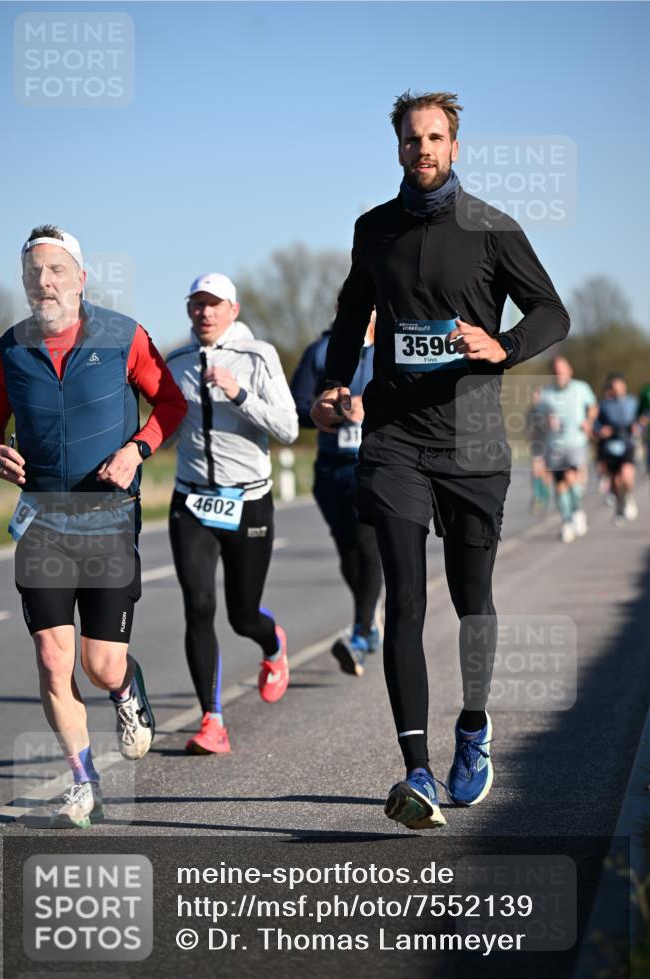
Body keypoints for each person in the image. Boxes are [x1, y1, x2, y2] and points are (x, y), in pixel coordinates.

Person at [311, 91, 569, 830]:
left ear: (453, 146)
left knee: (470, 602)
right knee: (406, 601)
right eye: (410, 139)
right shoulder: (374, 230)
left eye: (434, 138)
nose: (421, 149)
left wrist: (504, 345)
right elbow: (350, 318)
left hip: (473, 443)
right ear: (396, 148)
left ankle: (473, 728)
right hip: (393, 438)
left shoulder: (491, 228)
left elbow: (550, 310)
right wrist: (334, 386)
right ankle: (416, 772)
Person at [0, 225, 187, 828]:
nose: (43, 283)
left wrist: (138, 451)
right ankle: (85, 782)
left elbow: (171, 403)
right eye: (32, 274)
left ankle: (126, 689)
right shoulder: (8, 351)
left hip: (108, 518)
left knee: (100, 665)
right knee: (51, 657)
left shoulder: (124, 337)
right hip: (41, 521)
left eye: (54, 271)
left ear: (80, 277)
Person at [166, 273, 298, 754]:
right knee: (198, 606)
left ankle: (273, 643)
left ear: (233, 310)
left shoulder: (257, 356)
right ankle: (211, 720)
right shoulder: (176, 362)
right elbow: (166, 426)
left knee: (243, 615)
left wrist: (238, 393)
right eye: (196, 304)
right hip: (192, 500)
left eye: (214, 305)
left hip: (248, 500)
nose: (204, 313)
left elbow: (287, 426)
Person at [291, 307, 383, 675]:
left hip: (376, 464)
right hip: (331, 469)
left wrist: (371, 405)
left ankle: (361, 635)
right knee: (348, 551)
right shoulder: (320, 351)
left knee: (367, 544)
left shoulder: (394, 348)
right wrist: (328, 409)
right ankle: (370, 617)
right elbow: (296, 407)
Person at [538, 357, 597, 543]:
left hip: (576, 442)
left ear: (570, 370)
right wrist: (547, 421)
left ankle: (576, 511)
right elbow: (539, 420)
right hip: (555, 445)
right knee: (560, 485)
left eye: (562, 369)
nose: (559, 373)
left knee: (571, 477)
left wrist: (589, 421)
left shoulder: (581, 388)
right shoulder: (546, 394)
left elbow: (593, 406)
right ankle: (566, 521)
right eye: (556, 370)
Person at [594, 373, 640, 525]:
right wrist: (601, 429)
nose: (616, 389)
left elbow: (640, 420)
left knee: (626, 475)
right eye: (613, 386)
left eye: (618, 385)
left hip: (627, 442)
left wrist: (638, 427)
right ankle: (620, 505)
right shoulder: (604, 404)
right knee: (615, 481)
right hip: (611, 444)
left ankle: (629, 497)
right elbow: (596, 423)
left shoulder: (633, 402)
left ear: (623, 386)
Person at [526, 386, 552, 516]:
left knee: (546, 474)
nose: (535, 398)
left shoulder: (547, 408)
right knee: (536, 471)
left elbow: (553, 424)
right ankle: (538, 498)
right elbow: (528, 428)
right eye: (534, 395)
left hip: (548, 442)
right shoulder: (531, 411)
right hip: (536, 444)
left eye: (538, 395)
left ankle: (544, 497)